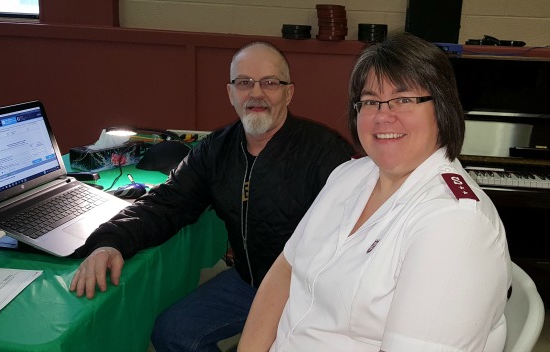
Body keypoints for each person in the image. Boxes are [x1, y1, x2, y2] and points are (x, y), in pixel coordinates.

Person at [69, 41, 356, 351]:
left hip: (308, 294)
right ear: (231, 93)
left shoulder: (325, 152)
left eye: (270, 83)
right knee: (173, 332)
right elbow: (166, 203)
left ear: (289, 93)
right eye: (244, 83)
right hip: (248, 283)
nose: (256, 94)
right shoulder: (215, 150)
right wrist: (110, 241)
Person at [238, 33, 512, 352]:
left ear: (442, 108)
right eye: (370, 101)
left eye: (404, 99)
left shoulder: (454, 224)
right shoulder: (349, 175)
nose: (383, 115)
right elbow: (286, 269)